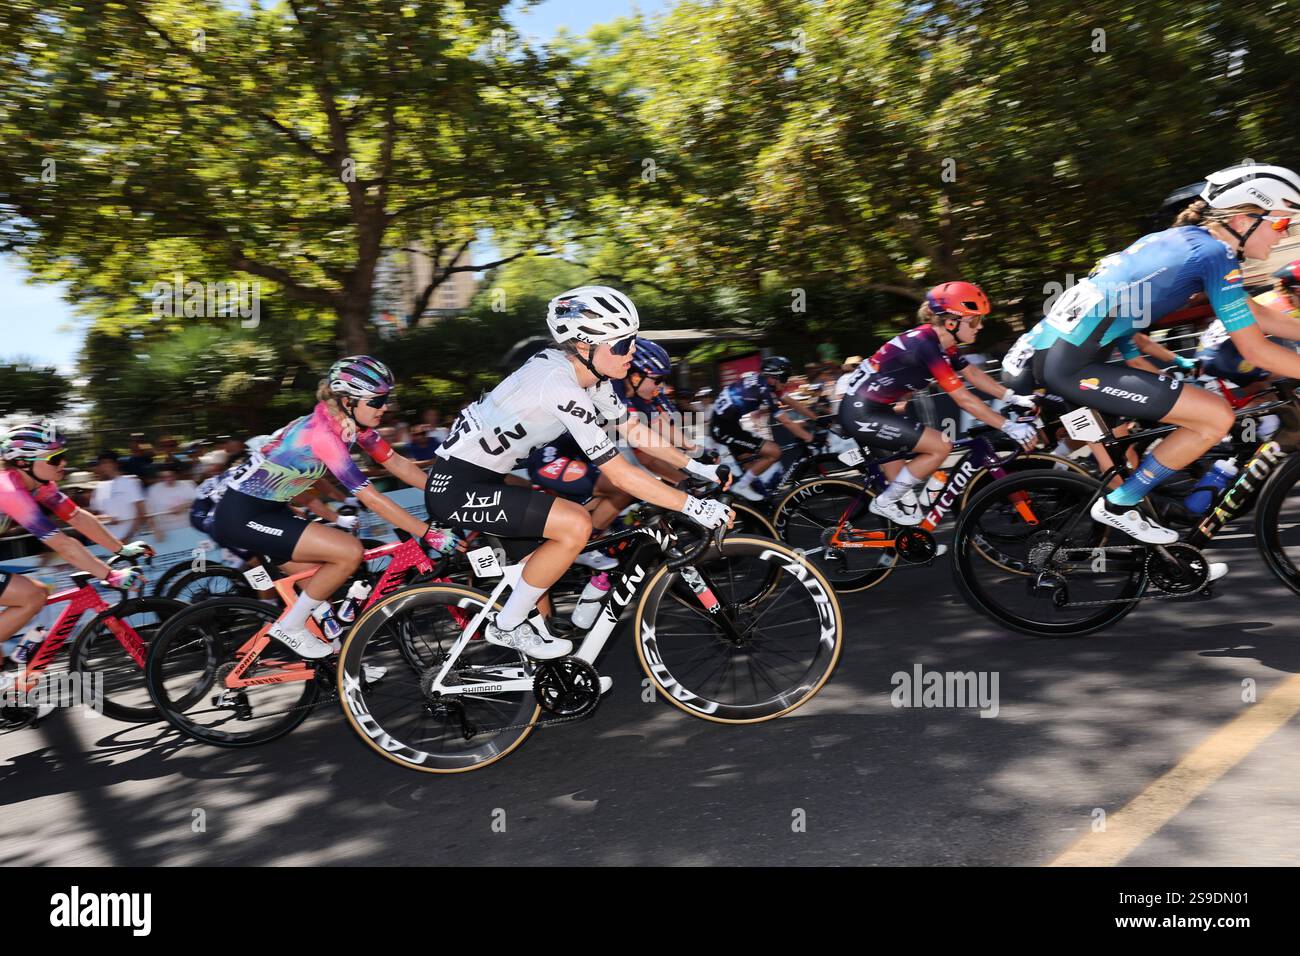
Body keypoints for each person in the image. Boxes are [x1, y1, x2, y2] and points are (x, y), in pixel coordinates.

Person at [426, 285, 732, 661]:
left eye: (632, 340)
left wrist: (697, 467)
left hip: (490, 479)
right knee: (574, 524)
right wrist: (693, 507)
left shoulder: (590, 376)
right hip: (458, 487)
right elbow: (619, 473)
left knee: (539, 592)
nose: (631, 352)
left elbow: (633, 430)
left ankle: (547, 676)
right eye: (621, 345)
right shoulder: (558, 384)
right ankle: (504, 627)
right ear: (585, 346)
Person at [1031, 163, 1300, 548]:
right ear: (1243, 219)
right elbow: (1253, 348)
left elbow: (1254, 314)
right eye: (1279, 223)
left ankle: (1163, 553)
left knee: (1171, 429)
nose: (1285, 233)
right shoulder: (1214, 254)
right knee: (1215, 416)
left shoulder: (1191, 240)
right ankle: (1120, 505)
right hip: (1073, 367)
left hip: (1067, 356)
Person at [210, 356, 451, 660]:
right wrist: (429, 534)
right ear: (348, 400)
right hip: (243, 515)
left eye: (387, 399)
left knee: (327, 611)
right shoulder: (325, 435)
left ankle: (346, 671)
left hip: (274, 512)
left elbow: (397, 463)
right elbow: (373, 499)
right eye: (378, 400)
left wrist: (445, 492)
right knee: (348, 552)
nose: (385, 407)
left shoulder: (349, 424)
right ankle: (290, 627)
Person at [840, 281, 1040, 525]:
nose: (981, 326)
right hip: (864, 414)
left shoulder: (941, 343)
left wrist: (1012, 396)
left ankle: (909, 543)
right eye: (975, 320)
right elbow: (963, 398)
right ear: (951, 322)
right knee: (941, 446)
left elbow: (973, 375)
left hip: (878, 409)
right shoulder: (927, 347)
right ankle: (882, 503)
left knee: (909, 509)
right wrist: (1008, 426)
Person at [0, 422, 151, 650]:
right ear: (23, 462)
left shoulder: (39, 485)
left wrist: (122, 549)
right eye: (54, 458)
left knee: (36, 594)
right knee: (32, 596)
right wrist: (110, 575)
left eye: (62, 456)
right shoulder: (8, 489)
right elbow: (62, 544)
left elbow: (78, 517)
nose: (63, 463)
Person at [709, 356, 822, 501]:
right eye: (784, 378)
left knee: (751, 463)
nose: (786, 382)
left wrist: (817, 419)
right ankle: (741, 487)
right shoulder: (763, 390)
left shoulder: (766, 384)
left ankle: (757, 504)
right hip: (723, 429)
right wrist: (811, 438)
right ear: (772, 378)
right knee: (774, 452)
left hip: (728, 424)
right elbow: (787, 422)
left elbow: (792, 402)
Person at [1196, 258, 1300, 394]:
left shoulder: (1272, 297)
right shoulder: (1286, 309)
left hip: (1212, 354)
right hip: (1226, 356)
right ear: (1297, 290)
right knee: (1287, 367)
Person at [91, 451, 150, 540]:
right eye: (101, 464)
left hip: (135, 540)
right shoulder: (99, 488)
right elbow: (96, 516)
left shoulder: (130, 482)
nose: (104, 466)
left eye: (106, 463)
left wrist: (128, 537)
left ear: (115, 464)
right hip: (112, 542)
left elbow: (141, 513)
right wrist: (106, 519)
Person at [145, 459, 197, 544]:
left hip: (187, 528)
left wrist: (184, 506)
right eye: (163, 477)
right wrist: (154, 529)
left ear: (176, 475)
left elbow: (199, 502)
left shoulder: (188, 485)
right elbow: (148, 513)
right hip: (165, 531)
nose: (167, 480)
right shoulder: (153, 489)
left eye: (170, 476)